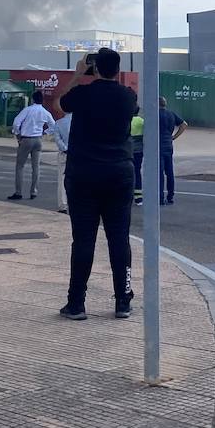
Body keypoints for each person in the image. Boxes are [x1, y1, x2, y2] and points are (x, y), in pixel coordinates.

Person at [57, 48, 138, 321]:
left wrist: (78, 75)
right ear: (117, 69)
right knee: (119, 239)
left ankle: (76, 304)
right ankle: (123, 301)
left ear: (95, 68)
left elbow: (60, 104)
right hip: (119, 174)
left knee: (83, 240)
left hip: (83, 175)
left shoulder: (82, 93)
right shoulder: (128, 97)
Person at [9, 90, 52, 201]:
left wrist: (17, 133)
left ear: (32, 99)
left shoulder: (28, 110)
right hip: (38, 140)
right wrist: (45, 133)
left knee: (20, 166)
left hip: (26, 139)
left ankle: (18, 192)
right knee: (36, 167)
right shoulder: (45, 112)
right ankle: (33, 191)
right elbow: (53, 125)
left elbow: (16, 122)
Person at [157, 96, 188, 205]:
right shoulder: (171, 114)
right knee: (169, 172)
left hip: (158, 146)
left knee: (159, 173)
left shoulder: (155, 115)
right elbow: (184, 125)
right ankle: (170, 197)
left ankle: (160, 198)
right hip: (168, 145)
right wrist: (174, 136)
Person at [52, 111, 72, 214]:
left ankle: (63, 205)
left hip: (64, 153)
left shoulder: (59, 123)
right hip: (78, 154)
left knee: (62, 179)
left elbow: (57, 139)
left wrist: (64, 148)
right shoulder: (80, 121)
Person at [131, 107, 145, 205]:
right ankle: (138, 198)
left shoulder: (126, 120)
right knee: (137, 171)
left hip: (127, 151)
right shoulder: (141, 121)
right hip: (139, 151)